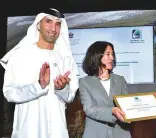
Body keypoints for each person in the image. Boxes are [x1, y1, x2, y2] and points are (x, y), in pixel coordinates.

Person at [0, 8, 79, 138]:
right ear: (38, 24)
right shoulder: (20, 55)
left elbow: (70, 97)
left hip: (57, 131)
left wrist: (62, 89)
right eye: (48, 21)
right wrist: (38, 86)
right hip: (28, 131)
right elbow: (9, 92)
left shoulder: (66, 59)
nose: (54, 28)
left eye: (58, 24)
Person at [79, 41, 131, 138]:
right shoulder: (84, 82)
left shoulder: (120, 80)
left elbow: (126, 105)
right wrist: (112, 110)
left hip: (120, 133)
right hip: (95, 133)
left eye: (112, 54)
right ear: (96, 56)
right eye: (108, 54)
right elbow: (89, 109)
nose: (112, 58)